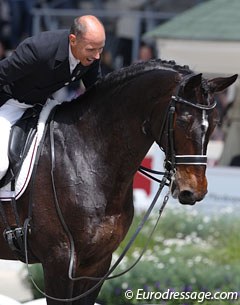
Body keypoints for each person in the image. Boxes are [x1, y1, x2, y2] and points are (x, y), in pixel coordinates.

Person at [0, 15, 106, 181]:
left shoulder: (92, 55)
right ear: (73, 40)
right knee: (0, 166)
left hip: (43, 105)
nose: (97, 56)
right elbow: (2, 74)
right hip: (11, 103)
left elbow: (97, 90)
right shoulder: (38, 50)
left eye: (101, 49)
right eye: (92, 49)